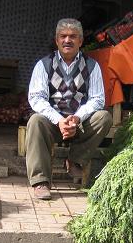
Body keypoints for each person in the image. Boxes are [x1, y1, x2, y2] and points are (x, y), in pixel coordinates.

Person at [26, 18, 111, 200]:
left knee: (104, 117)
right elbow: (36, 98)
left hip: (78, 124)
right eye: (63, 36)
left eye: (73, 36)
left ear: (80, 41)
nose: (67, 40)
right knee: (35, 121)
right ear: (56, 40)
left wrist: (77, 118)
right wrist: (59, 120)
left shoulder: (92, 66)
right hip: (53, 123)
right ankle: (41, 182)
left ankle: (75, 160)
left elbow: (98, 99)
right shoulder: (44, 65)